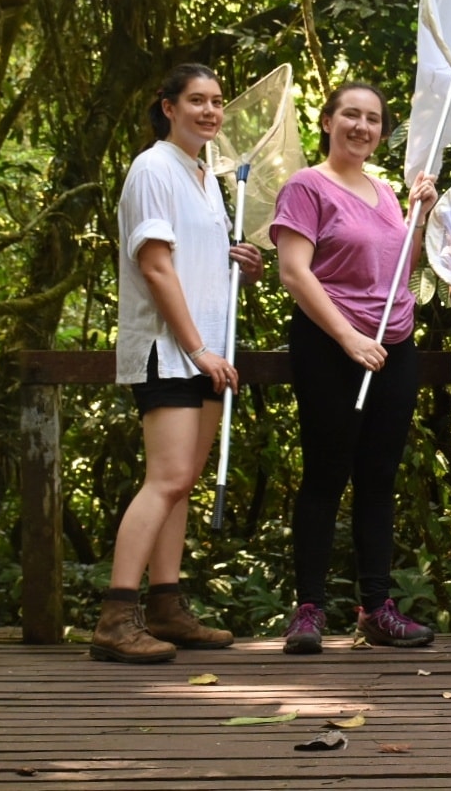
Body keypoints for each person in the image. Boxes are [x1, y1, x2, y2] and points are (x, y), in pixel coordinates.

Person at [94, 63, 264, 663]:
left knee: (182, 483)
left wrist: (235, 258)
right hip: (171, 349)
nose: (210, 111)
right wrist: (196, 347)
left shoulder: (205, 176)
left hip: (208, 351)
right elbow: (157, 267)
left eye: (217, 102)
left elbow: (192, 259)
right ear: (168, 106)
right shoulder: (153, 168)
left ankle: (166, 607)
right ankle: (117, 616)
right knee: (166, 478)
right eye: (197, 100)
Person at [270, 83, 437, 655]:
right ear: (327, 120)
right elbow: (295, 272)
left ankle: (376, 608)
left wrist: (420, 217)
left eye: (372, 119)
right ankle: (309, 610)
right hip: (329, 345)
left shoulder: (387, 192)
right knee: (325, 473)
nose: (361, 127)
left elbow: (401, 271)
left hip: (393, 348)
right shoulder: (305, 186)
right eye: (351, 115)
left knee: (378, 479)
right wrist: (347, 337)